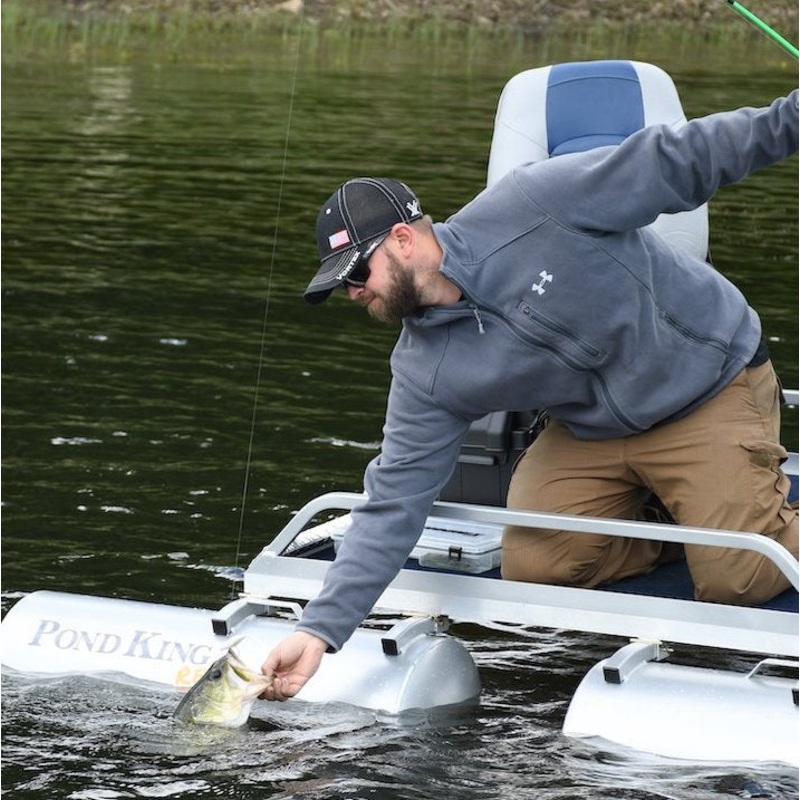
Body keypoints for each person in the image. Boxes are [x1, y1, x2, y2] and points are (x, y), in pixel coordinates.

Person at [259, 90, 799, 701]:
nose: (354, 293)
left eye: (359, 272)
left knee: (739, 577)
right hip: (594, 427)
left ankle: (734, 513)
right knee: (539, 569)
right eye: (341, 285)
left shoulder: (536, 203)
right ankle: (682, 511)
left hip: (706, 381)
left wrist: (793, 115)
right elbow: (394, 502)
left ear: (405, 241)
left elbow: (684, 158)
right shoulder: (422, 369)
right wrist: (319, 631)